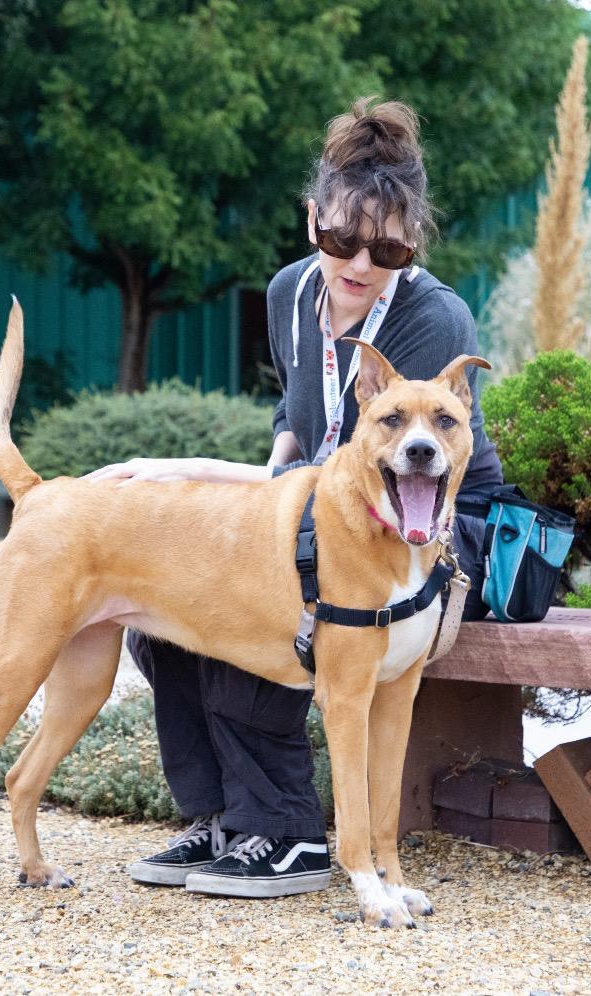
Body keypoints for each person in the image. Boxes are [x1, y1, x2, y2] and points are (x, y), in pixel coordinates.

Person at [86, 98, 503, 898]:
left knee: (267, 617)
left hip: (431, 527)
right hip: (329, 512)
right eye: (341, 235)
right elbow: (297, 422)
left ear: (410, 245)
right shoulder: (288, 293)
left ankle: (286, 832)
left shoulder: (432, 316)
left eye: (386, 245)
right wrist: (215, 484)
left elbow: (374, 463)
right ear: (312, 217)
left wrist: (184, 466)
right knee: (166, 619)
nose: (359, 261)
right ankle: (222, 817)